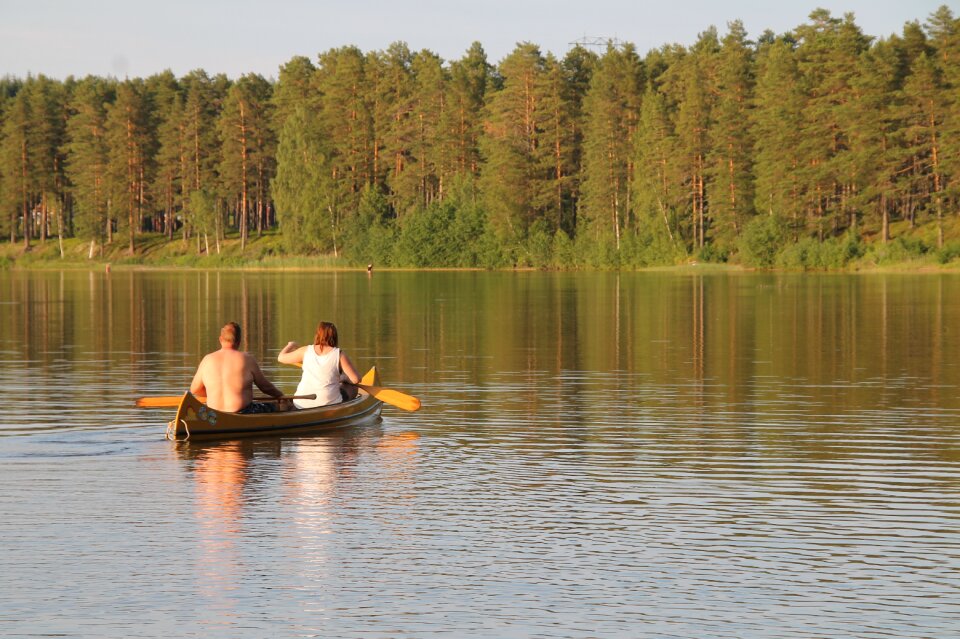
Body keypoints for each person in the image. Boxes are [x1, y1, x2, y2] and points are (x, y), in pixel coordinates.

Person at [190, 321, 285, 413]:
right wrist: (281, 396)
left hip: (214, 415)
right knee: (280, 406)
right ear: (239, 341)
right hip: (243, 412)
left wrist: (214, 394)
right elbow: (265, 387)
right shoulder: (247, 359)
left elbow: (195, 389)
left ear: (220, 339)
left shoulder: (207, 360)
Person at [278, 321, 360, 409]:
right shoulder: (339, 354)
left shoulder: (305, 350)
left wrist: (290, 345)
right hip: (328, 404)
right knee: (353, 387)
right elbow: (356, 379)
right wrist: (344, 378)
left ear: (317, 335)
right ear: (335, 337)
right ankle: (347, 409)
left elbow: (280, 358)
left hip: (300, 403)